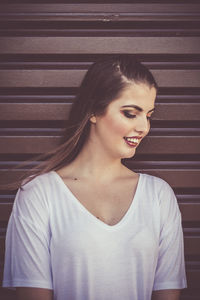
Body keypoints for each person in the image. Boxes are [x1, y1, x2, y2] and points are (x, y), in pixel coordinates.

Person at [2, 55, 187, 300]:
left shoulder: (159, 196)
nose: (144, 127)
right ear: (93, 112)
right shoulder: (38, 194)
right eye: (131, 113)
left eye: (149, 115)